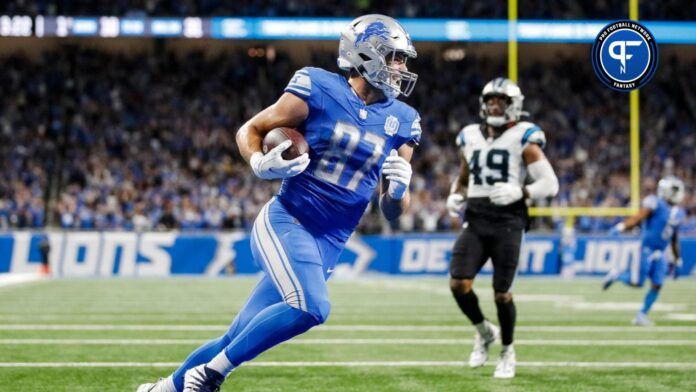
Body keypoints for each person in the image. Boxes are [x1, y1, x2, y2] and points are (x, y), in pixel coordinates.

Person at [137, 14, 422, 392]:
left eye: (403, 59)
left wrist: (399, 192)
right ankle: (209, 375)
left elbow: (390, 211)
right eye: (394, 57)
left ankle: (163, 389)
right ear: (366, 53)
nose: (400, 68)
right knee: (312, 308)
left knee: (235, 338)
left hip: (331, 244)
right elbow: (250, 130)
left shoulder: (404, 120)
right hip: (289, 221)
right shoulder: (319, 87)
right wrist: (259, 162)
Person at [445, 77, 559, 379]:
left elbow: (551, 183)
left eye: (501, 101)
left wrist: (521, 191)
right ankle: (484, 332)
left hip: (509, 219)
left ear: (513, 105)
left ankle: (508, 351)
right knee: (458, 283)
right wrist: (455, 194)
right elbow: (465, 175)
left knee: (502, 294)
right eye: (490, 101)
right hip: (477, 215)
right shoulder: (469, 135)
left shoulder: (525, 136)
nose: (494, 105)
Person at [602, 176, 686, 326]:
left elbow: (674, 237)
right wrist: (621, 226)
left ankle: (641, 315)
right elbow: (639, 216)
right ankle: (617, 275)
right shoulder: (655, 202)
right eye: (673, 190)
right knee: (637, 283)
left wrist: (678, 259)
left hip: (661, 252)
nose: (675, 193)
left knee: (657, 284)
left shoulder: (679, 213)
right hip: (646, 249)